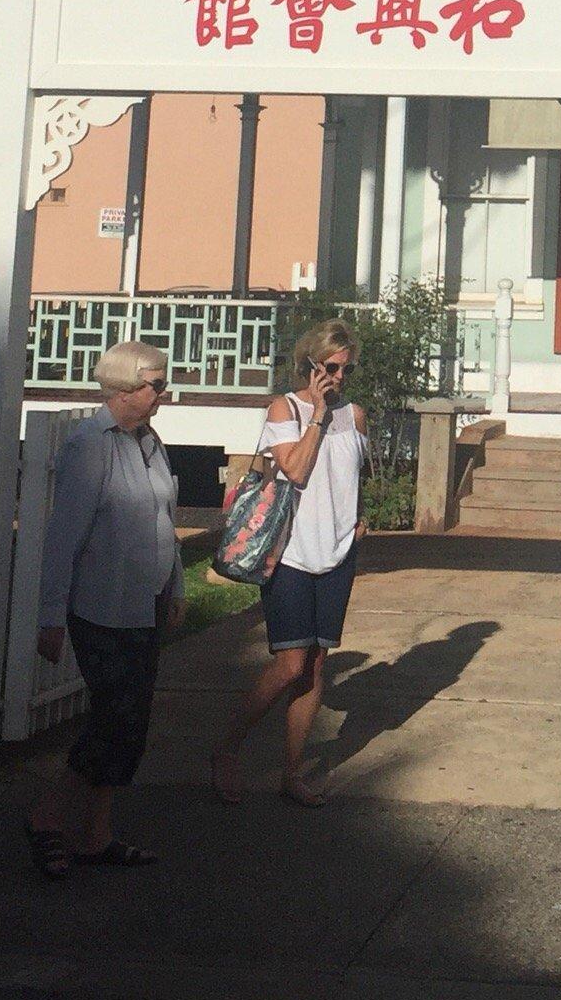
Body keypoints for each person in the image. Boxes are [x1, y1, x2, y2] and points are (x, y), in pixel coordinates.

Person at [25, 341, 184, 879]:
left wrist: (177, 588)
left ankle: (97, 836)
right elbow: (62, 538)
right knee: (114, 718)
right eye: (155, 385)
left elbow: (165, 518)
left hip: (146, 605)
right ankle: (47, 819)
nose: (163, 394)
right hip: (101, 607)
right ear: (122, 389)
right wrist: (49, 616)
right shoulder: (89, 447)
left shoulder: (150, 442)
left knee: (130, 725)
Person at [210, 319, 370, 807]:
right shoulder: (287, 408)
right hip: (291, 553)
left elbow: (350, 477)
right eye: (332, 367)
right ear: (311, 364)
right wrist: (318, 415)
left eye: (347, 369)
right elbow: (296, 470)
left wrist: (358, 520)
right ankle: (226, 751)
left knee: (315, 667)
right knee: (289, 664)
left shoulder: (357, 416)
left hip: (338, 552)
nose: (340, 378)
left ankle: (291, 772)